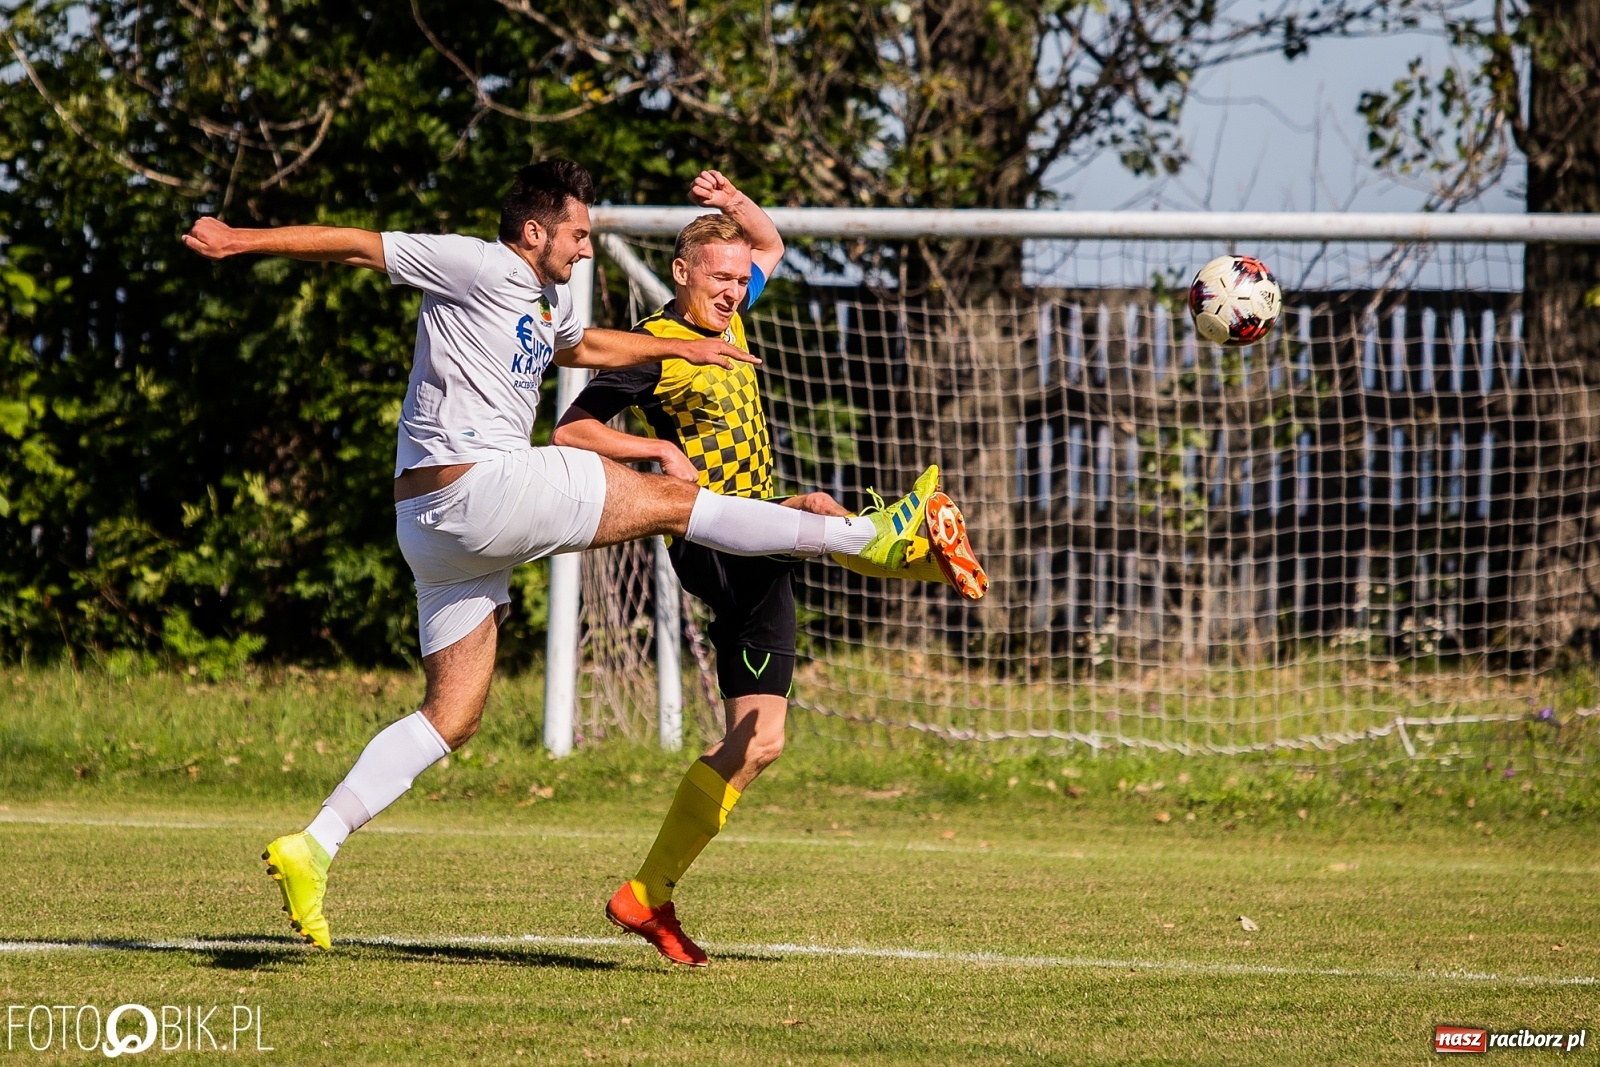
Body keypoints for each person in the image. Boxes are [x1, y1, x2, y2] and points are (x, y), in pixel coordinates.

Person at [181, 159, 941, 951]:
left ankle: (314, 844)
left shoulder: (547, 304)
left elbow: (585, 346)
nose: (586, 249)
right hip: (481, 486)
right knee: (674, 504)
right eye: (579, 234)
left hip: (433, 525)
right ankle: (869, 536)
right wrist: (240, 240)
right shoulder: (478, 262)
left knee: (453, 713)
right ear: (536, 230)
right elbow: (359, 247)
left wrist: (697, 356)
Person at [552, 170, 986, 967]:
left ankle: (644, 894)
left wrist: (735, 202)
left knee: (761, 741)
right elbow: (572, 432)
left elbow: (772, 242)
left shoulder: (731, 320)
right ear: (682, 272)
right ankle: (910, 540)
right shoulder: (659, 348)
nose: (733, 288)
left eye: (737, 278)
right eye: (719, 276)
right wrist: (654, 449)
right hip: (709, 540)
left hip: (759, 532)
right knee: (820, 525)